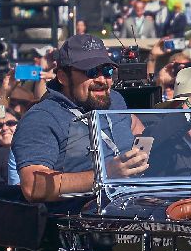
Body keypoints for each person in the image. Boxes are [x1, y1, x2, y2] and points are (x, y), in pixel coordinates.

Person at [12, 35, 146, 201]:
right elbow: (33, 186)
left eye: (107, 71)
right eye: (90, 72)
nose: (101, 79)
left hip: (138, 199)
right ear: (62, 77)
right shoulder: (41, 118)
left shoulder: (115, 99)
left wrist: (143, 152)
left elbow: (135, 125)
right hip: (83, 218)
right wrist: (105, 174)